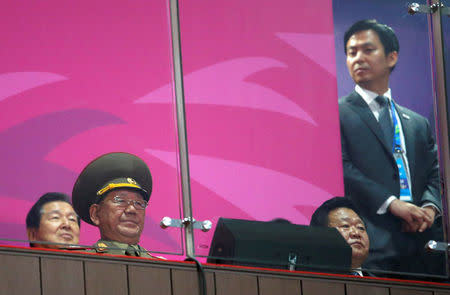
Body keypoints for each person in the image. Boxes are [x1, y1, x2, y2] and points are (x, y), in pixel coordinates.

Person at [338, 19, 444, 276]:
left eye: (367, 50)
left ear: (391, 57)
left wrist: (429, 209)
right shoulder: (337, 113)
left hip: (424, 242)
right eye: (352, 53)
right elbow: (343, 167)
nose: (358, 58)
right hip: (375, 241)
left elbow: (434, 173)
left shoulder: (417, 122)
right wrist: (392, 203)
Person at [72, 152, 158, 258]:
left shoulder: (164, 267)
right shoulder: (82, 261)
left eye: (139, 203)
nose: (132, 209)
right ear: (95, 214)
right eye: (121, 201)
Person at [310, 197, 369, 275]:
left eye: (360, 227)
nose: (356, 233)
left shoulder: (383, 285)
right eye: (345, 226)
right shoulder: (308, 283)